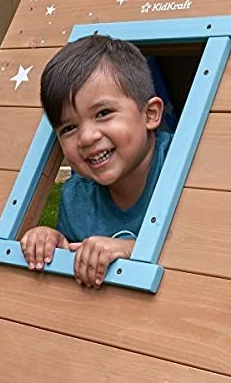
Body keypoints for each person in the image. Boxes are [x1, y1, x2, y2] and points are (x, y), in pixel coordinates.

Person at [20, 34, 172, 289]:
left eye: (103, 113)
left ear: (150, 114)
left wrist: (131, 249)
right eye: (69, 128)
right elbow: (74, 267)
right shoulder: (76, 198)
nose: (87, 137)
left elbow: (208, 249)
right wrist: (54, 242)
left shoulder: (184, 171)